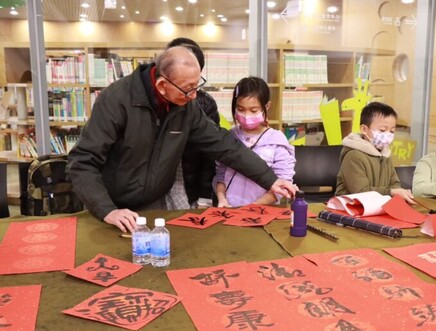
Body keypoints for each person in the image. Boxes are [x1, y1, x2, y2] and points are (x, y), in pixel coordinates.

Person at [67, 46, 296, 233]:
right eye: (188, 89)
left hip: (154, 205)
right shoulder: (116, 100)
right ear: (162, 85)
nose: (194, 96)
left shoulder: (186, 107)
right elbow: (82, 161)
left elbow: (223, 143)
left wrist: (270, 179)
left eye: (197, 86)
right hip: (111, 205)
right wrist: (107, 209)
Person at [213, 76, 295, 207]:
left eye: (253, 110)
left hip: (261, 211)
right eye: (240, 109)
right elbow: (220, 174)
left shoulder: (277, 141)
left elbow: (281, 183)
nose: (246, 115)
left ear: (267, 106)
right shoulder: (229, 137)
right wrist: (222, 199)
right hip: (229, 209)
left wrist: (252, 208)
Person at [165, 37, 220, 210]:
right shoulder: (152, 103)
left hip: (190, 185)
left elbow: (212, 151)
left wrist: (205, 195)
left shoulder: (204, 104)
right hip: (155, 188)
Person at [335, 101, 414, 203]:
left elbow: (394, 183)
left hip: (378, 206)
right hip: (351, 209)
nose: (388, 135)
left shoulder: (385, 154)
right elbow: (360, 192)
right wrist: (391, 192)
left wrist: (397, 191)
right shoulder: (353, 156)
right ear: (364, 129)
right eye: (382, 130)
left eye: (392, 131)